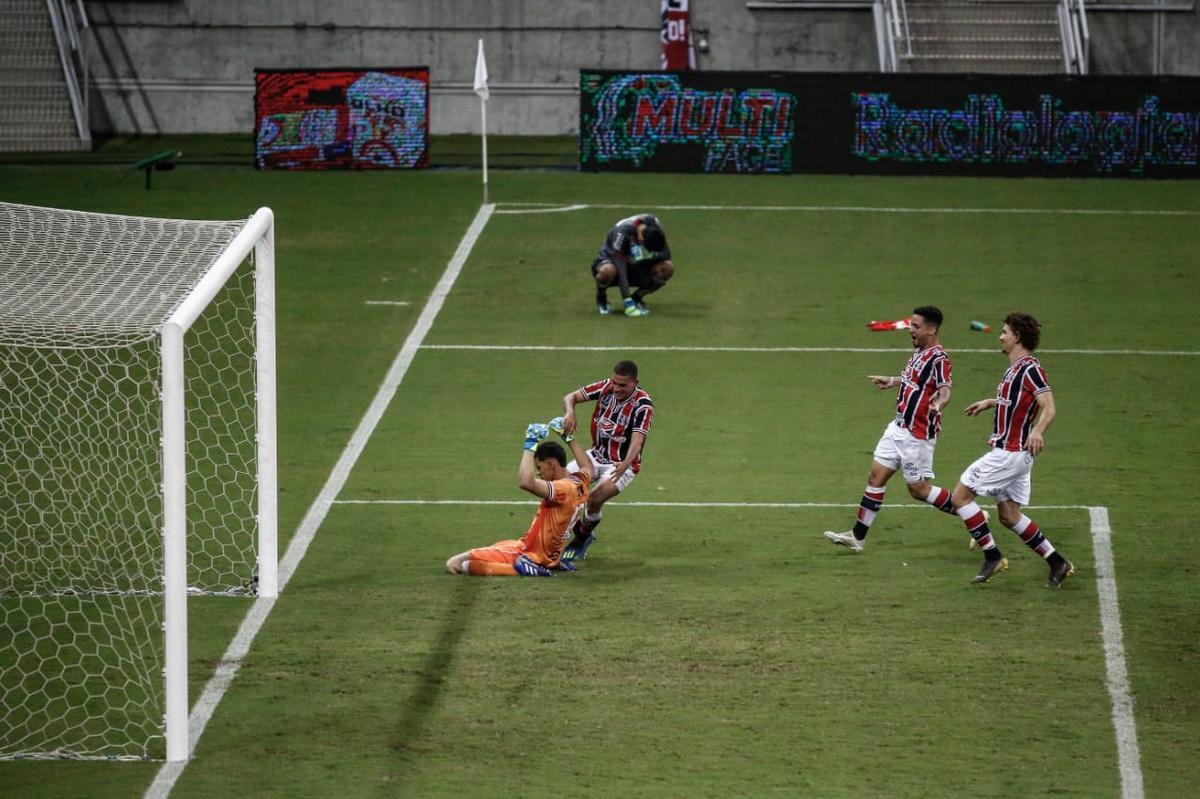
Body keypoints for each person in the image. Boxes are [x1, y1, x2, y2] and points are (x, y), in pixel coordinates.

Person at [824, 306, 963, 553]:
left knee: (918, 490)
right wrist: (892, 380)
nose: (910, 330)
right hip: (898, 427)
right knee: (875, 477)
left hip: (917, 434)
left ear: (931, 329)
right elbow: (914, 379)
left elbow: (944, 389)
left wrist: (939, 404)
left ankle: (973, 516)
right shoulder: (919, 353)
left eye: (916, 326)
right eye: (911, 325)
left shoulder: (939, 359)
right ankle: (858, 537)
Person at [950, 312, 1074, 587]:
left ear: (1017, 337)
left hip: (1009, 453)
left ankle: (992, 556)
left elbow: (1048, 406)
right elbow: (1019, 400)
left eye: (1005, 332)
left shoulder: (1030, 368)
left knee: (960, 497)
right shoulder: (1016, 369)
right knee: (1008, 515)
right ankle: (1057, 563)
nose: (1000, 336)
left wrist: (1038, 431)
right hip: (1017, 456)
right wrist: (991, 402)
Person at [445, 422, 592, 577]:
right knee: (500, 544)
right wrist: (568, 437)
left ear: (551, 465)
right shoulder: (580, 482)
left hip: (530, 552)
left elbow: (526, 482)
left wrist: (530, 444)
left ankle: (525, 566)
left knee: (457, 563)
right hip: (550, 556)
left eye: (539, 468)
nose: (538, 473)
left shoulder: (562, 489)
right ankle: (530, 564)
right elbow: (587, 467)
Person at [555, 360, 654, 561]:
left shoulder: (643, 405)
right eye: (615, 383)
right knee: (558, 487)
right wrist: (570, 411)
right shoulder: (606, 387)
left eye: (622, 385)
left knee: (594, 499)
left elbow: (638, 438)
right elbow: (570, 397)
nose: (616, 388)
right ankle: (582, 532)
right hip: (595, 455)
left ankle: (580, 539)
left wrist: (627, 463)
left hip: (622, 464)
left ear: (634, 382)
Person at [591, 214, 674, 317]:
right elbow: (621, 270)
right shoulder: (621, 233)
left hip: (635, 264)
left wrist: (650, 255)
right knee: (607, 271)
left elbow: (666, 254)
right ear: (640, 240)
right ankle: (601, 298)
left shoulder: (654, 227)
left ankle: (636, 298)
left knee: (667, 268)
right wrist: (627, 302)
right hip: (613, 262)